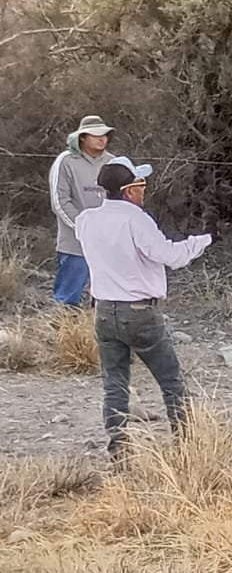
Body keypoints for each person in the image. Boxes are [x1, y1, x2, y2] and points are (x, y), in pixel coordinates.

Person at [74, 158, 213, 459]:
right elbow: (168, 256)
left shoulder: (86, 220)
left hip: (103, 311)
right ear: (127, 190)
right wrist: (198, 243)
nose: (143, 191)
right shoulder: (136, 219)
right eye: (140, 186)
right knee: (171, 381)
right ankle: (187, 447)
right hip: (139, 312)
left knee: (115, 384)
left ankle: (119, 453)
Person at [48, 115, 117, 305]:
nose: (101, 138)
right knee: (67, 297)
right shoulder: (66, 161)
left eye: (104, 134)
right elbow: (60, 202)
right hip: (75, 244)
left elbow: (122, 199)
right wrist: (84, 228)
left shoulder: (113, 162)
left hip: (107, 243)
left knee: (106, 298)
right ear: (82, 137)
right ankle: (64, 332)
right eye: (95, 134)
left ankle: (99, 333)